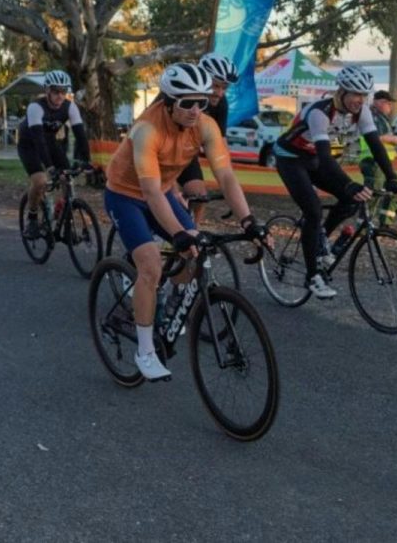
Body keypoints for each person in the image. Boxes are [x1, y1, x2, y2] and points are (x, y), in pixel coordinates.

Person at [105, 63, 268, 381]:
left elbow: (226, 177)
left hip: (161, 192)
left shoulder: (205, 126)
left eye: (202, 102)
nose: (196, 110)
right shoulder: (147, 130)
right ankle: (145, 350)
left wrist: (248, 221)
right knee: (151, 265)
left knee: (196, 255)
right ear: (167, 103)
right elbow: (149, 192)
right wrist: (179, 233)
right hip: (125, 196)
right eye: (187, 103)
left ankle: (163, 298)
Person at [275, 65, 397, 299]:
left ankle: (318, 239)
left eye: (364, 95)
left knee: (352, 200)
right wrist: (348, 183)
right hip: (290, 158)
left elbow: (376, 145)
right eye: (355, 94)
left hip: (312, 158)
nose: (359, 100)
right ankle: (312, 277)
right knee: (313, 209)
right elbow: (326, 157)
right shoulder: (320, 112)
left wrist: (392, 177)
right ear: (341, 91)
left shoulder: (361, 111)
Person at [17, 70, 90, 238]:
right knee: (41, 181)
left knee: (67, 179)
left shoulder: (69, 106)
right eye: (56, 91)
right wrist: (49, 167)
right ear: (47, 91)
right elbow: (38, 140)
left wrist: (86, 160)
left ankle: (66, 220)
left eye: (63, 92)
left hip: (49, 142)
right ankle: (33, 218)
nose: (60, 96)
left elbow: (80, 134)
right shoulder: (35, 107)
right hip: (30, 145)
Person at [178, 53, 239, 221]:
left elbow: (221, 145)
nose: (219, 93)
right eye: (215, 86)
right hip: (156, 153)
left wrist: (230, 189)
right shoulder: (180, 93)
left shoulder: (220, 103)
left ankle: (192, 238)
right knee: (168, 198)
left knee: (199, 197)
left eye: (224, 87)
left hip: (185, 154)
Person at [359, 90, 397, 188]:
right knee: (375, 190)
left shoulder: (378, 116)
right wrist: (393, 139)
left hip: (379, 160)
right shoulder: (374, 117)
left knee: (379, 189)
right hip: (374, 160)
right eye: (388, 103)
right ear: (379, 102)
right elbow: (376, 138)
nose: (390, 106)